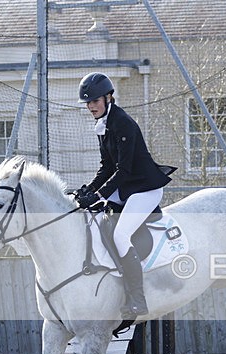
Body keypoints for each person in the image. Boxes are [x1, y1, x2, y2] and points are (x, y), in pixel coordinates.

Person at [75, 72, 172, 318]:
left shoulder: (122, 123)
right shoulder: (103, 125)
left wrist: (100, 195)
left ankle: (138, 299)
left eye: (95, 101)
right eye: (88, 103)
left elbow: (123, 169)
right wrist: (89, 190)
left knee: (120, 235)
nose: (91, 106)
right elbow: (106, 167)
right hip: (126, 186)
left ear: (108, 98)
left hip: (144, 188)